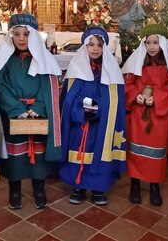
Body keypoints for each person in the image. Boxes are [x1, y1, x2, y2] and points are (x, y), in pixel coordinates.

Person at [0, 13, 62, 210]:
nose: (22, 38)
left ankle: (39, 188)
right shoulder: (5, 61)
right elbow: (0, 87)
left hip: (37, 115)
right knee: (15, 156)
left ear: (34, 36)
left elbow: (49, 85)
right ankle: (15, 189)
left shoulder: (43, 60)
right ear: (10, 37)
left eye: (26, 34)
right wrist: (16, 109)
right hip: (13, 115)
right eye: (17, 34)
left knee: (38, 156)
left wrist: (37, 107)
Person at [121, 22, 168, 206]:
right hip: (137, 116)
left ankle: (154, 186)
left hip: (159, 117)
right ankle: (135, 185)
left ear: (163, 44)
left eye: (155, 42)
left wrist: (158, 98)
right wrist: (136, 96)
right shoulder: (136, 63)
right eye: (148, 43)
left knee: (156, 154)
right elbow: (127, 85)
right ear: (143, 44)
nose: (152, 47)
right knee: (135, 152)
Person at [59, 26, 126, 205]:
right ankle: (78, 186)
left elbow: (114, 100)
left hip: (102, 125)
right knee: (79, 151)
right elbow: (69, 100)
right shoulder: (75, 70)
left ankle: (98, 188)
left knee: (100, 152)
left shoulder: (112, 72)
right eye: (91, 45)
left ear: (104, 47)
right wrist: (84, 111)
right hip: (80, 123)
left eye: (99, 45)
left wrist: (96, 109)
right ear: (84, 47)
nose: (95, 49)